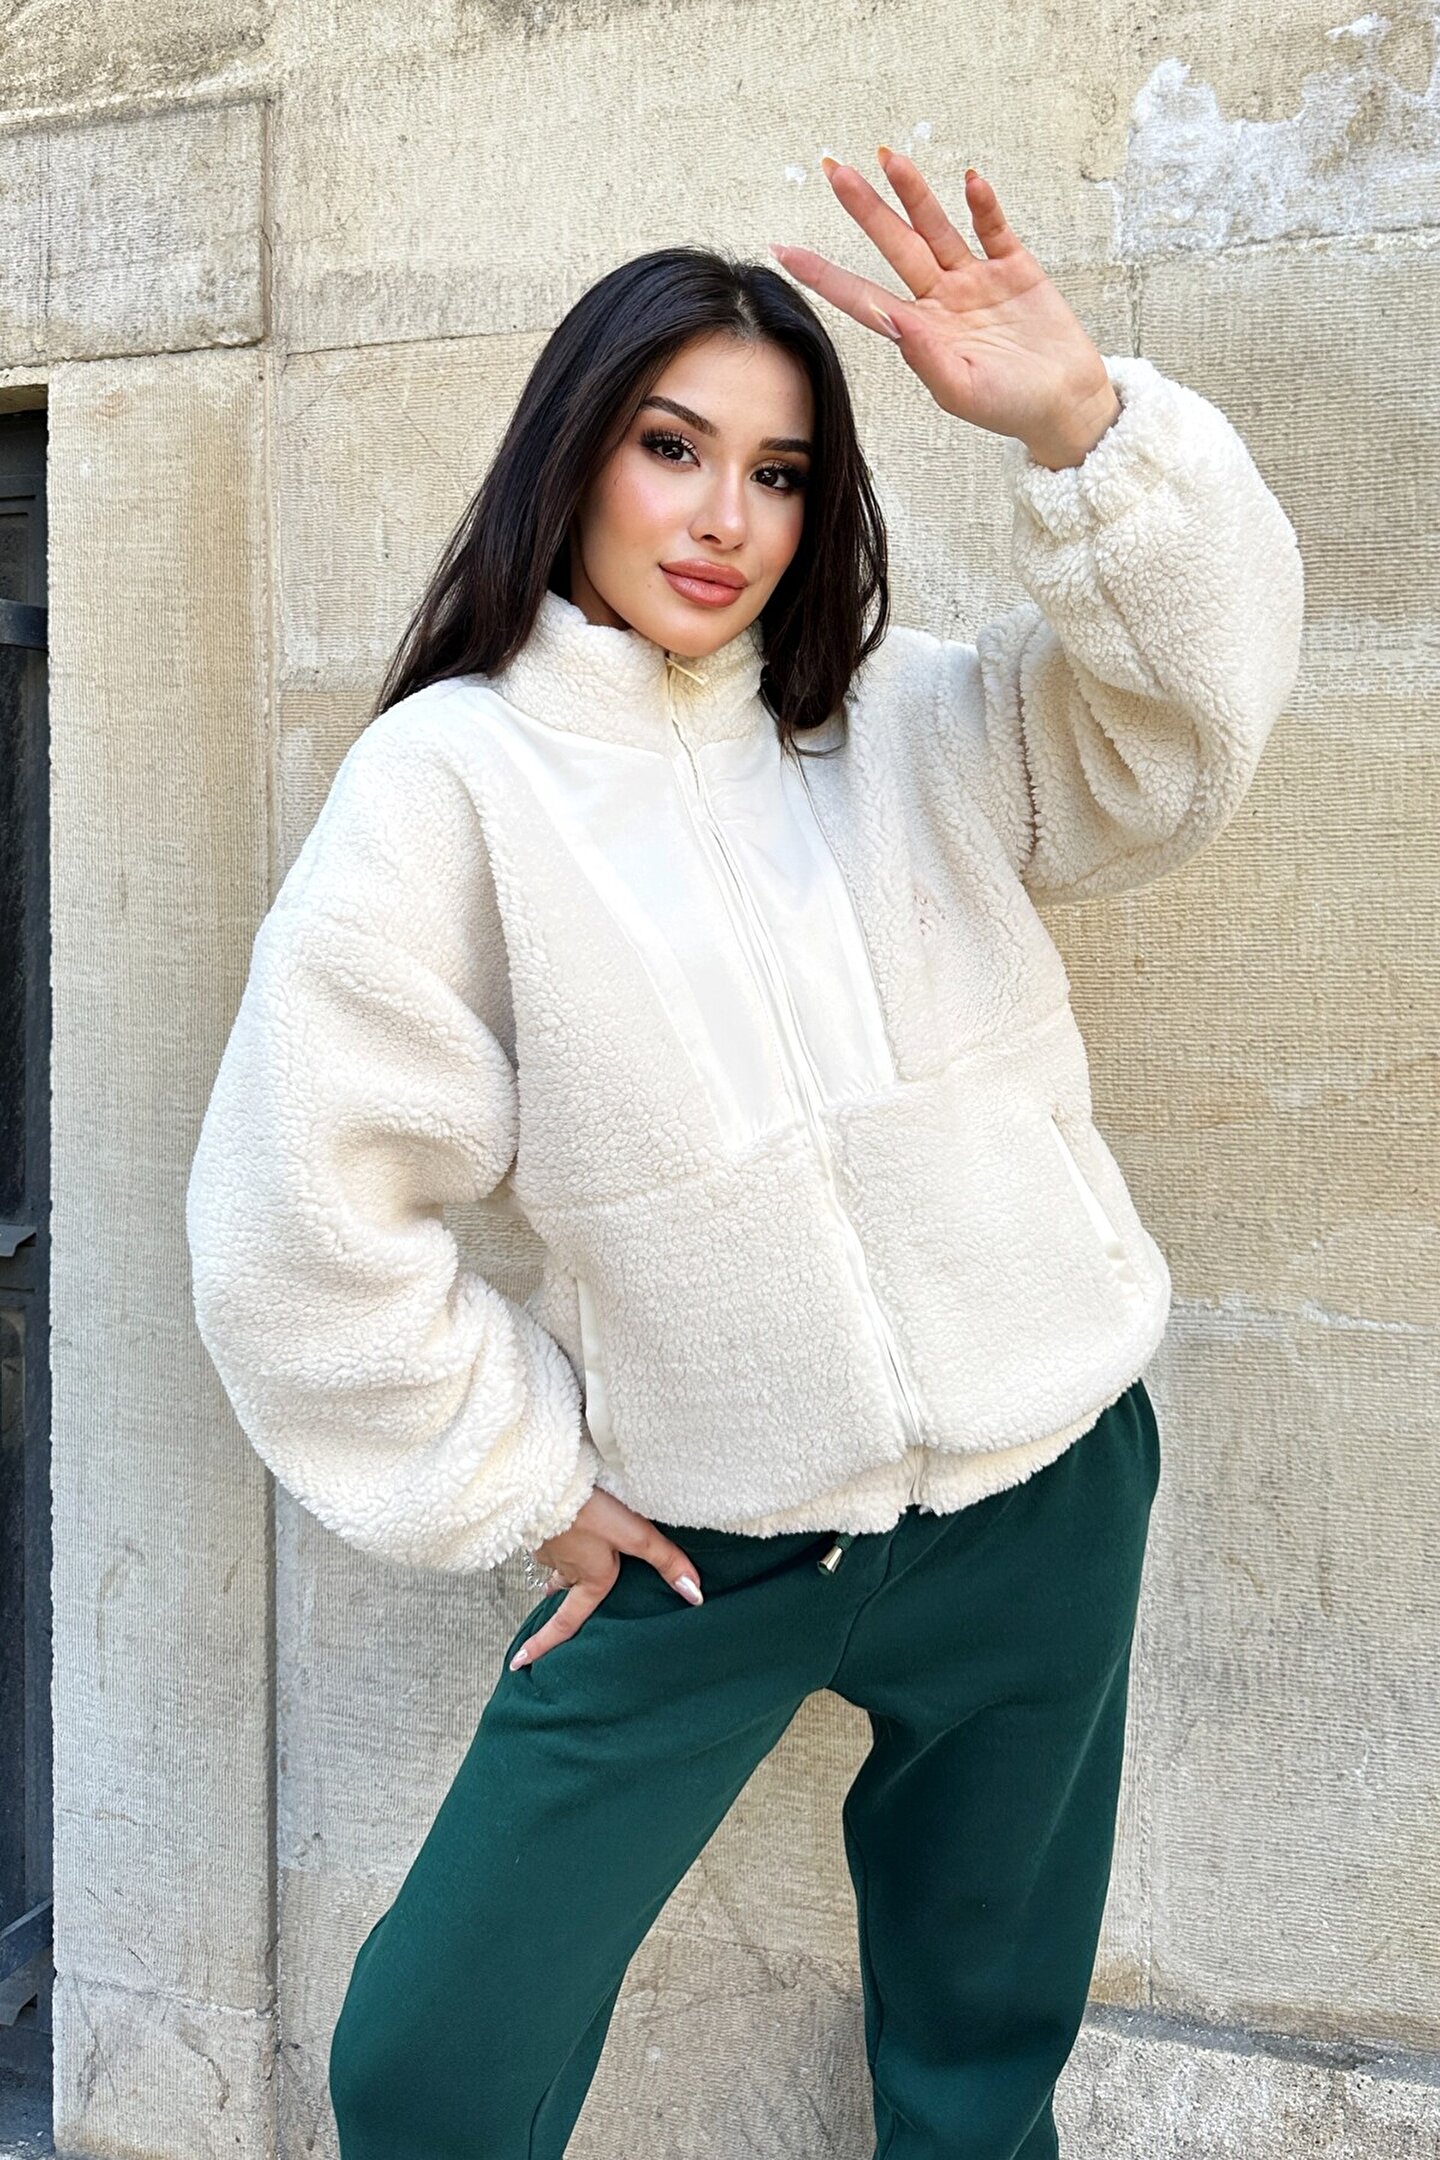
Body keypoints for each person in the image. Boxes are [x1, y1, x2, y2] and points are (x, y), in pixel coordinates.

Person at [185, 150, 1303, 2158]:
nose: (724, 519)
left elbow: (1180, 743)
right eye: (673, 448)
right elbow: (300, 1205)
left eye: (779, 473)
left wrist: (1080, 426)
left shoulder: (908, 715)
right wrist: (526, 1482)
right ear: (574, 456)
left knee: (980, 2064)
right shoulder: (451, 780)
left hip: (1046, 1500)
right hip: (718, 1545)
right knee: (428, 2068)